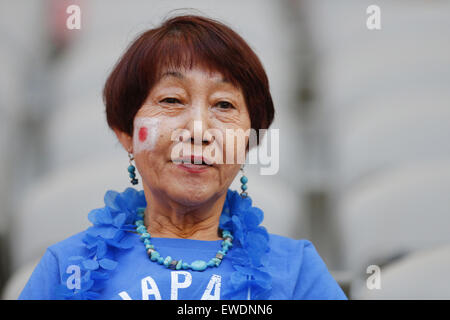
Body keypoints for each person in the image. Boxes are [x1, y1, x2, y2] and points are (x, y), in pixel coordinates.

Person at [19, 14, 347, 300]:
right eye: (172, 100)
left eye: (224, 105)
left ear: (248, 141)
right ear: (126, 133)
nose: (199, 130)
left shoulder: (297, 271)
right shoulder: (68, 267)